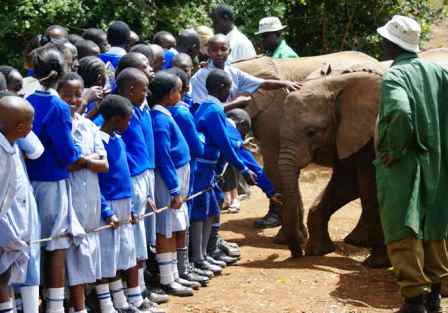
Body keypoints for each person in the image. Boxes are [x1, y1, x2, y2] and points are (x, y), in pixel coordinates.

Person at [375, 15, 448, 313]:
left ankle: (413, 298)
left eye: (383, 40)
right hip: (438, 161)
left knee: (402, 225)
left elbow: (402, 114)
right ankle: (435, 296)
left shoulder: (394, 77)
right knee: (435, 225)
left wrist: (392, 149)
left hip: (405, 164)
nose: (380, 43)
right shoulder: (439, 73)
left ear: (392, 44)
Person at [25, 45, 86, 313]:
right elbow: (67, 153)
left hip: (29, 180)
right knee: (57, 244)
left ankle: (28, 302)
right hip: (54, 181)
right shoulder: (58, 106)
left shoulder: (26, 99)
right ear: (60, 74)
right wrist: (79, 152)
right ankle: (54, 305)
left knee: (33, 243)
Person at [191, 69, 257, 274]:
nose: (229, 93)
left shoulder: (206, 107)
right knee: (201, 211)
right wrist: (243, 168)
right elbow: (224, 143)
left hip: (208, 167)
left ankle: (205, 254)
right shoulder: (213, 110)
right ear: (221, 87)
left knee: (211, 210)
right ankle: (199, 258)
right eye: (228, 88)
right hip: (203, 168)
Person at [58, 73, 109, 313]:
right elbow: (66, 163)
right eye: (66, 95)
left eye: (78, 95)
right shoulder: (59, 126)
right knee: (73, 253)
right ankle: (77, 307)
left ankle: (81, 302)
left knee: (89, 252)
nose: (73, 100)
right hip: (69, 196)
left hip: (91, 199)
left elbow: (104, 163)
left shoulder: (89, 125)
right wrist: (89, 161)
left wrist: (84, 161)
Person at [116, 68, 161, 311]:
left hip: (143, 178)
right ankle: (131, 296)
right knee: (131, 243)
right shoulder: (118, 114)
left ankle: (139, 290)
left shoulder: (139, 109)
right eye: (144, 88)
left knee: (140, 242)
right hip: (130, 183)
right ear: (130, 89)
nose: (148, 92)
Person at [149, 71, 195, 296]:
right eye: (178, 90)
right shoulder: (159, 120)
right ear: (169, 95)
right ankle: (167, 279)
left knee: (176, 225)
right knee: (165, 228)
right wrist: (174, 188)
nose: (182, 93)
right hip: (168, 181)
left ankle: (176, 273)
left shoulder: (165, 114)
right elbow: (163, 157)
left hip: (177, 177)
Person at [95, 94, 141, 313]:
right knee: (106, 257)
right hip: (109, 206)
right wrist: (106, 211)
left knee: (122, 254)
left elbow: (124, 177)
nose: (129, 124)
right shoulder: (98, 142)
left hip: (123, 203)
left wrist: (130, 209)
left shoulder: (117, 139)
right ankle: (106, 304)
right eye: (127, 119)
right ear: (115, 119)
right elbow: (97, 184)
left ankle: (122, 302)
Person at [165, 67, 208, 286]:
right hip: (182, 172)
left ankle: (182, 267)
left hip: (175, 172)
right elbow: (196, 146)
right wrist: (201, 137)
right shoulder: (180, 112)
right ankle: (184, 267)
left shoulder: (169, 111)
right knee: (181, 219)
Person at [190, 34, 300, 108]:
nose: (219, 53)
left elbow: (262, 83)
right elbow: (204, 111)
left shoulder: (233, 72)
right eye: (214, 50)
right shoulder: (200, 77)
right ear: (208, 52)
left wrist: (286, 83)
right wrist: (236, 103)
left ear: (229, 51)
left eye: (223, 49)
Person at [0, 95, 35, 313]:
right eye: (31, 122)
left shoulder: (10, 146)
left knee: (3, 274)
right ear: (21, 127)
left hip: (6, 223)